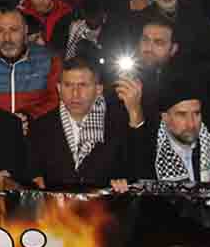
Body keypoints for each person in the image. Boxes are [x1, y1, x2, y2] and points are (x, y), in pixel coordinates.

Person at [29, 56, 138, 188]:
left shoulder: (118, 124)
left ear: (99, 90)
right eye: (68, 85)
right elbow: (31, 176)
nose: (75, 93)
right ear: (58, 88)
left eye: (83, 85)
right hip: (56, 208)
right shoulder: (40, 127)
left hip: (107, 207)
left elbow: (137, 172)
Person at [133, 73, 210, 183]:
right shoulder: (149, 153)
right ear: (165, 118)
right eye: (182, 115)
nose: (191, 124)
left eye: (196, 113)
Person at [0, 7, 61, 127]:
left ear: (26, 30)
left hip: (37, 134)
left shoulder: (49, 60)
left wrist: (29, 117)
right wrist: (1, 121)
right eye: (0, 31)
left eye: (13, 30)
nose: (7, 38)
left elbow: (56, 101)